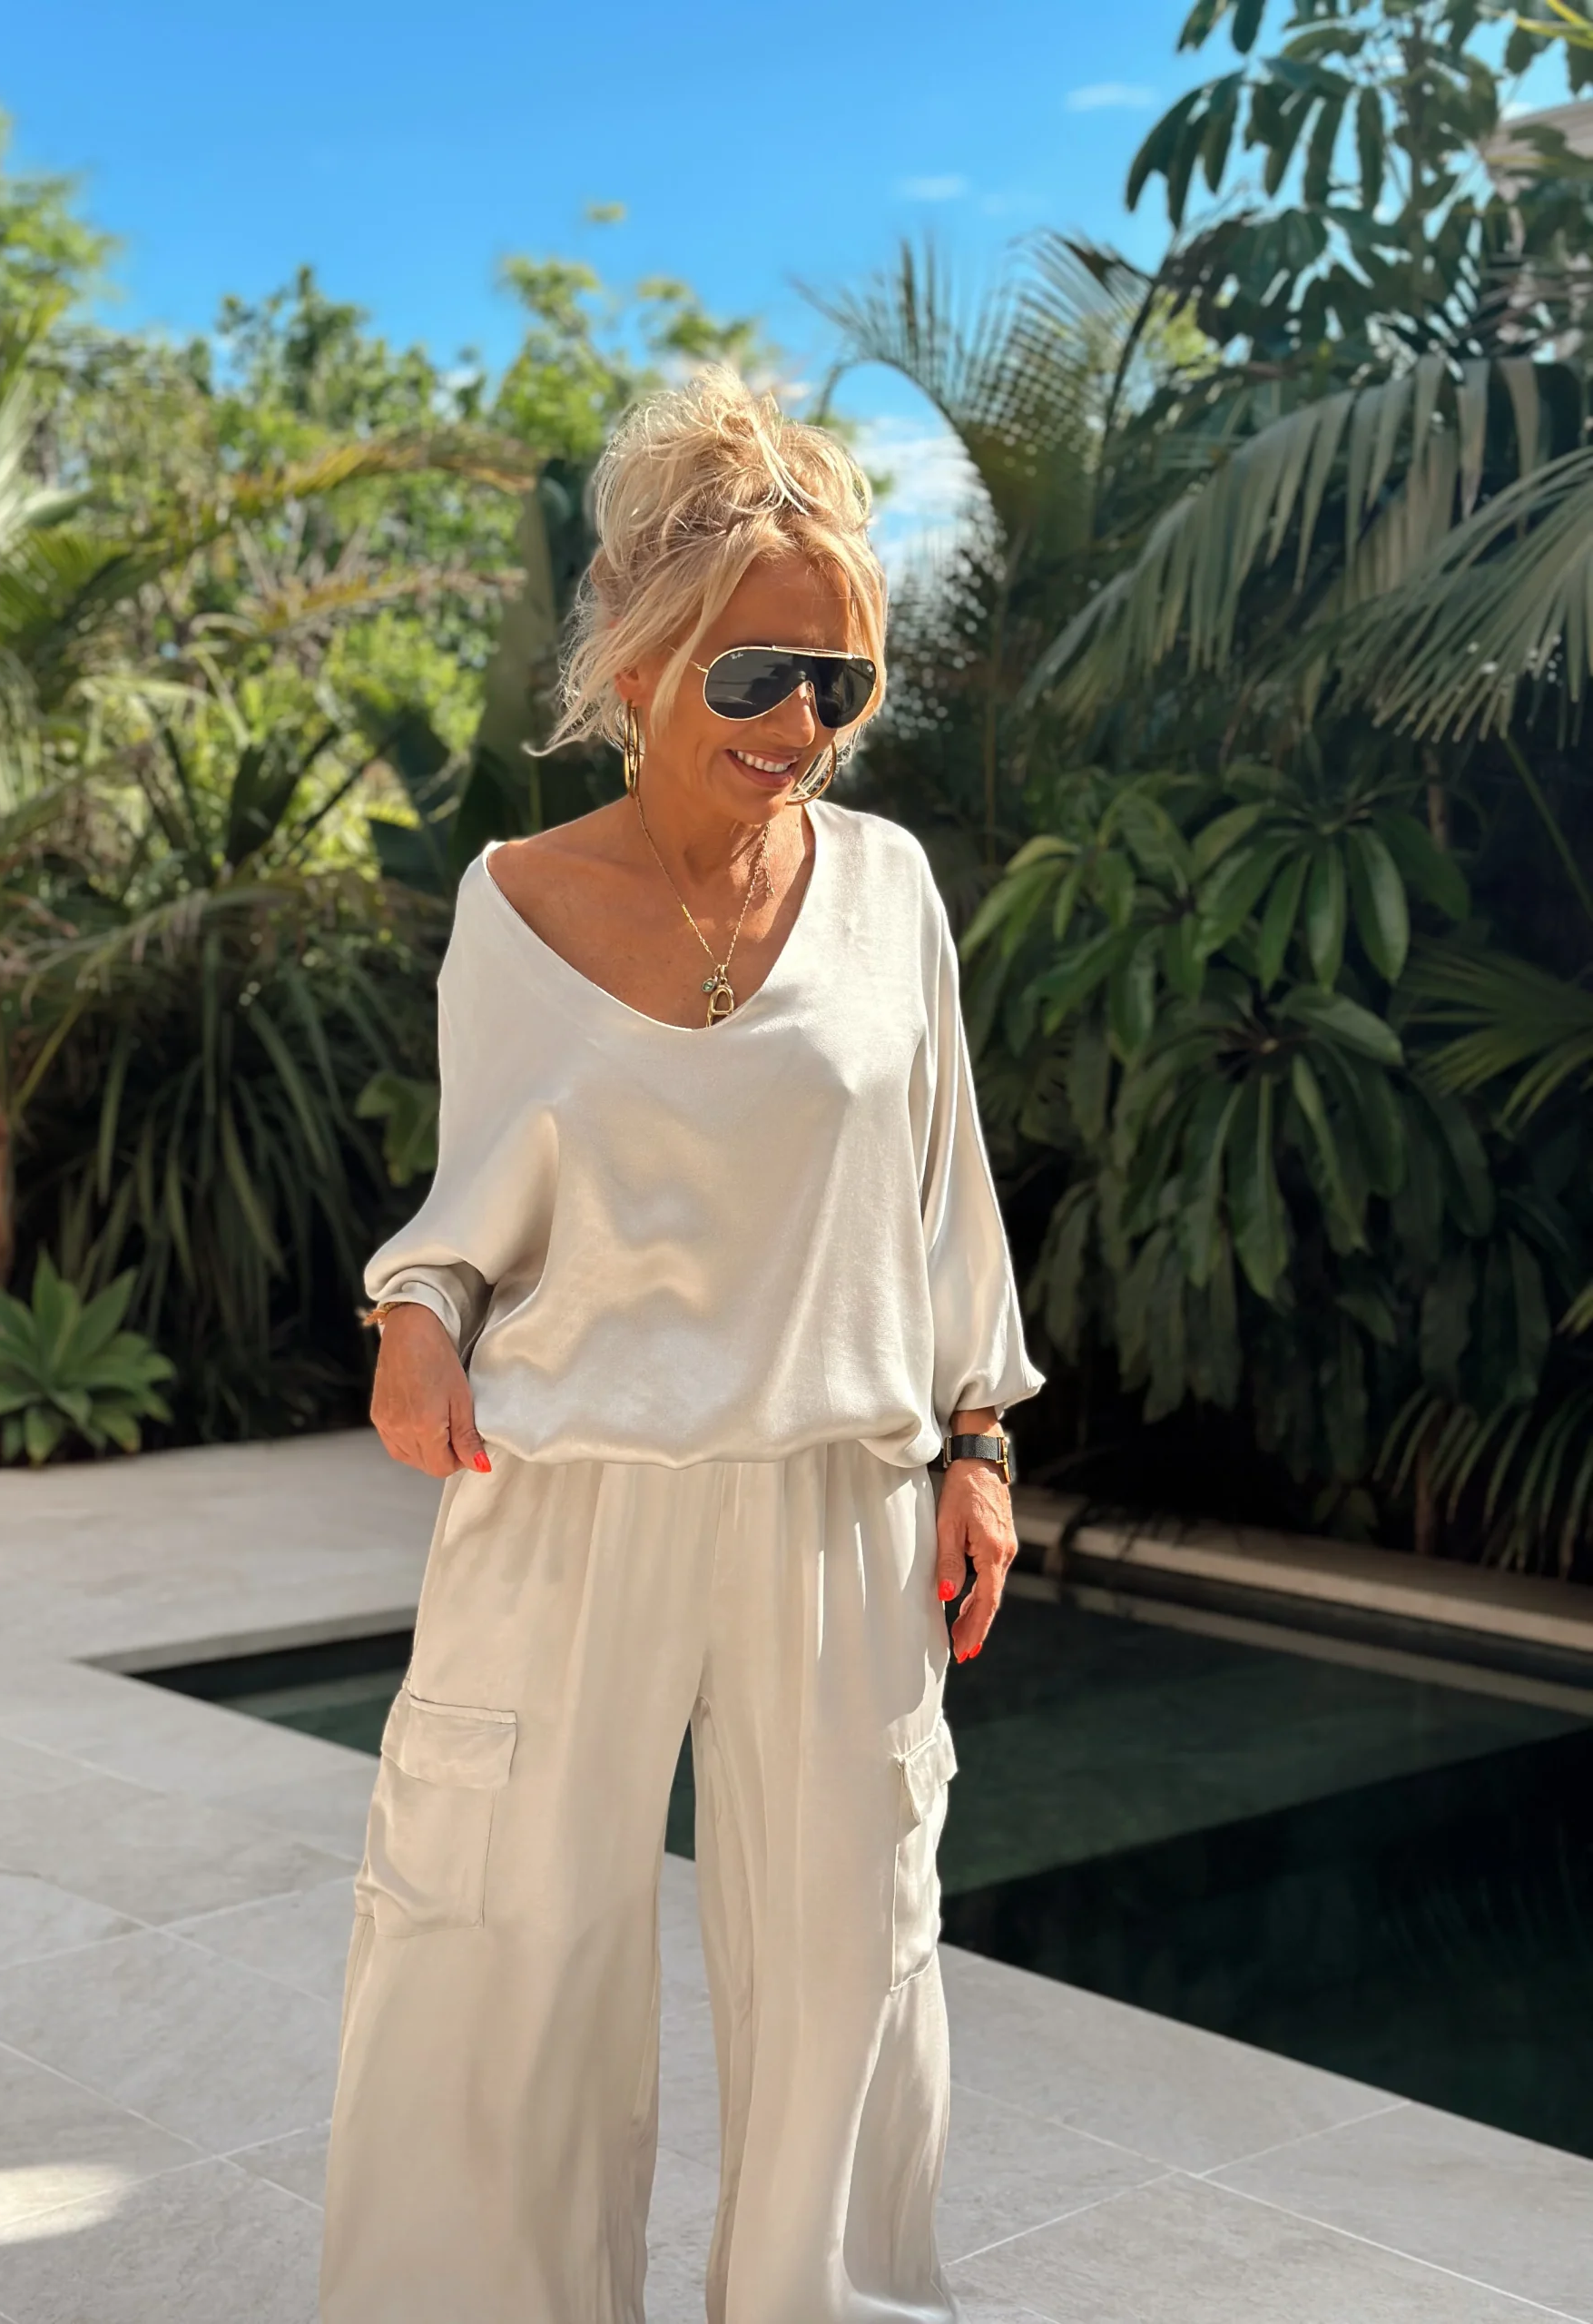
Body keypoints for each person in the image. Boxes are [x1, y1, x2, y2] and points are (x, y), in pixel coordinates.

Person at [320, 369, 1043, 2324]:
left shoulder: (889, 895)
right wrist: (413, 1314)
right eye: (755, 675)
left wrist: (978, 1440)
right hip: (567, 1497)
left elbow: (946, 1191)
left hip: (836, 1506)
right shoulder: (517, 904)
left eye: (840, 683)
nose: (801, 723)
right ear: (641, 667)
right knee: (499, 1951)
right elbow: (473, 1214)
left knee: (851, 1963)